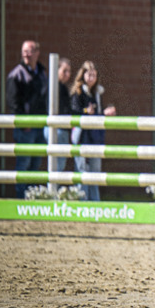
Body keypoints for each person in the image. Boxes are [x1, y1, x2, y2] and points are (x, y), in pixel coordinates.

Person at [5, 40, 48, 198]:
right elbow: (13, 102)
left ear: (37, 53)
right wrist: (23, 123)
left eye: (29, 51)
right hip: (25, 128)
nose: (26, 54)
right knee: (23, 163)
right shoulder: (16, 74)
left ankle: (30, 198)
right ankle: (20, 198)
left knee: (35, 164)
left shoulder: (42, 73)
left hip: (40, 126)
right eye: (24, 51)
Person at [70, 61, 116, 201]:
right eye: (89, 74)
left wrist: (106, 113)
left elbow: (98, 114)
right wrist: (86, 111)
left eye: (94, 75)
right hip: (81, 136)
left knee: (95, 172)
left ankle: (95, 204)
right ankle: (82, 204)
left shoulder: (97, 94)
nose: (91, 78)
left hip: (95, 137)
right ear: (82, 75)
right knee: (82, 171)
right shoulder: (77, 92)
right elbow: (74, 110)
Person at [44, 57, 73, 173]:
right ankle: (53, 191)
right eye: (64, 71)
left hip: (58, 128)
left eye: (69, 71)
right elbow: (64, 110)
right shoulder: (54, 87)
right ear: (56, 70)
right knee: (58, 166)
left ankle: (53, 190)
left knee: (57, 165)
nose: (67, 74)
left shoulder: (61, 87)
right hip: (58, 128)